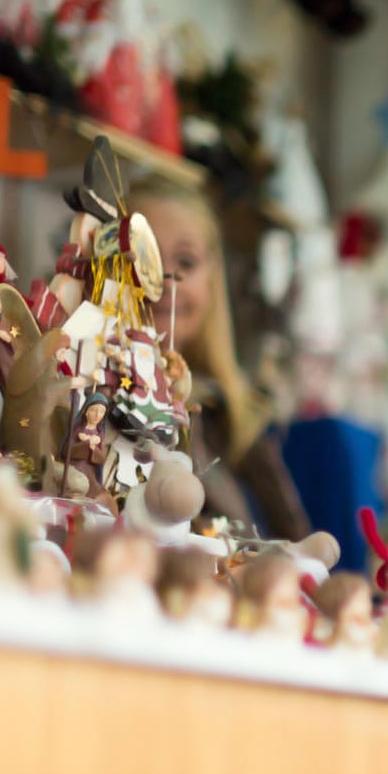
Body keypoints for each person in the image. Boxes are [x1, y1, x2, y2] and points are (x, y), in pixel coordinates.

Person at [128, 176, 311, 542]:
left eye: (186, 261)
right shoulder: (95, 406)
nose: (165, 280)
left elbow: (295, 544)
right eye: (142, 257)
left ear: (213, 276)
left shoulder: (238, 417)